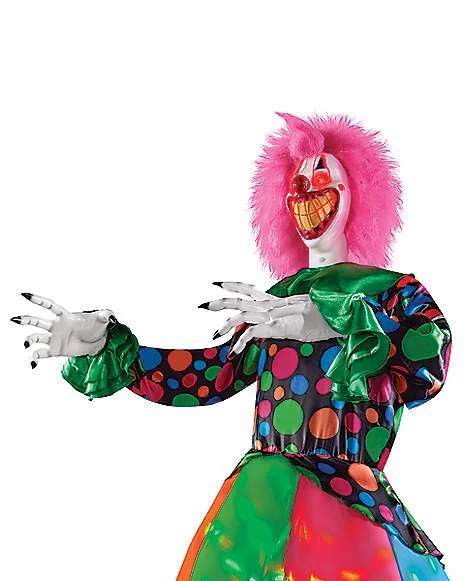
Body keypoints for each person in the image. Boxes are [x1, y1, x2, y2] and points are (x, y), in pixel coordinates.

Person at [11, 113, 452, 580]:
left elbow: (427, 357)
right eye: (297, 184)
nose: (307, 191)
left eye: (322, 177)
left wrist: (337, 320)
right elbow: (209, 374)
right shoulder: (273, 303)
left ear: (357, 191)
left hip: (350, 502)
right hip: (263, 500)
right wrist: (111, 348)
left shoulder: (394, 294)